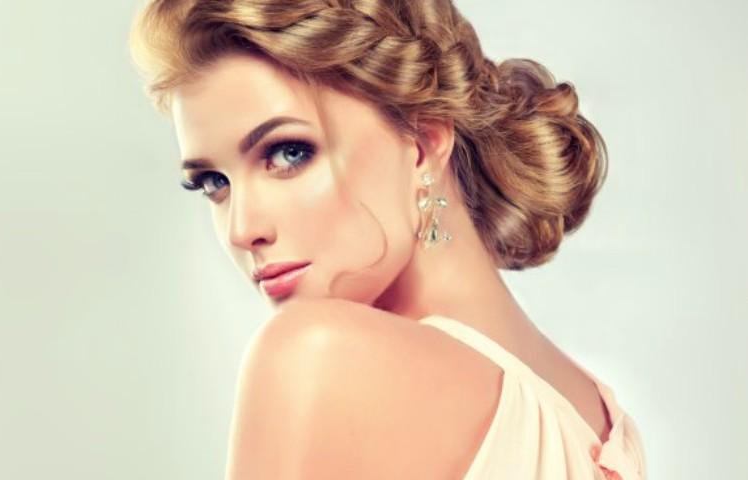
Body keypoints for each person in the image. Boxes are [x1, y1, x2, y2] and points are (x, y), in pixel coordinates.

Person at [129, 1, 647, 478]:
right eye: (213, 184)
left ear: (422, 143)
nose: (242, 230)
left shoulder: (316, 356)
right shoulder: (605, 419)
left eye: (288, 153)